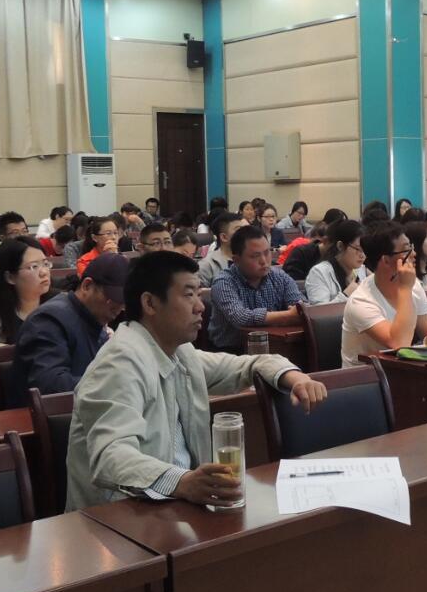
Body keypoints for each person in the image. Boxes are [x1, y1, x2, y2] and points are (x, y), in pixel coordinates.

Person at [65, 251, 327, 509]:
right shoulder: (119, 364)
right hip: (119, 520)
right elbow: (112, 457)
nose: (201, 306)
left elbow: (247, 365)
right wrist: (182, 482)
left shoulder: (179, 352)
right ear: (150, 304)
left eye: (199, 295)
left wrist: (294, 377)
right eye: (189, 295)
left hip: (175, 508)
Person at [341, 222, 427, 366]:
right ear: (386, 260)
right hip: (366, 376)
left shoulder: (413, 284)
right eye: (406, 250)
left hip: (400, 369)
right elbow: (399, 343)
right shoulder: (361, 301)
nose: (414, 254)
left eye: (412, 247)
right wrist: (405, 288)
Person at [14, 253, 129, 396]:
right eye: (113, 298)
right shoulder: (48, 321)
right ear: (87, 286)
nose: (120, 307)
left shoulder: (95, 320)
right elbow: (49, 384)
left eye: (124, 302)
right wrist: (112, 384)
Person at [209, 226, 304, 349]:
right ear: (236, 260)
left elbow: (299, 306)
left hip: (275, 344)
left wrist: (299, 311)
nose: (264, 261)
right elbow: (240, 317)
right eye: (255, 256)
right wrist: (287, 315)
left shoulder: (279, 276)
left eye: (267, 253)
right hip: (231, 351)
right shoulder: (223, 282)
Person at [0, 237, 54, 364]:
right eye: (34, 266)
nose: (44, 272)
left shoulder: (59, 304)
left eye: (45, 264)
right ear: (10, 277)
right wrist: (31, 349)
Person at [305, 219, 366, 304]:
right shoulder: (319, 273)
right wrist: (346, 295)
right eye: (358, 249)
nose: (363, 255)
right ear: (340, 246)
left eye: (365, 250)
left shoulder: (361, 269)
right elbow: (318, 310)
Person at [198, 212, 246, 288]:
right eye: (238, 230)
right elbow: (198, 293)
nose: (245, 234)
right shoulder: (207, 265)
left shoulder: (249, 259)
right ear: (224, 237)